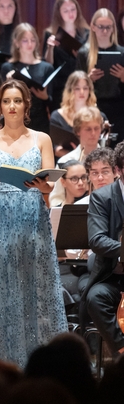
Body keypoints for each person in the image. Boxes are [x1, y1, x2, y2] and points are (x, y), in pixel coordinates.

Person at [0, 79, 67, 369]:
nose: (12, 106)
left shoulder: (41, 139)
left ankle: (41, 366)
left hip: (33, 219)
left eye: (18, 101)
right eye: (7, 101)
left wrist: (41, 184)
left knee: (35, 290)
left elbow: (49, 187)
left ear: (26, 106)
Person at [83, 141, 124, 358]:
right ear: (119, 170)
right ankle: (121, 352)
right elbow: (97, 240)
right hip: (114, 277)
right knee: (95, 297)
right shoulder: (102, 197)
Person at [76, 8, 124, 144]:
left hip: (119, 108)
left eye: (108, 27)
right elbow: (75, 86)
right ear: (93, 27)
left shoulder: (122, 53)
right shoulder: (84, 53)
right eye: (101, 27)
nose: (104, 31)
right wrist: (88, 79)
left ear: (113, 28)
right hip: (94, 108)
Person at [1, 23, 56, 133]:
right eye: (25, 40)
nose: (30, 44)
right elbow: (2, 101)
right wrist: (8, 84)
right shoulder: (8, 67)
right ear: (17, 43)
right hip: (15, 122)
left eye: (33, 40)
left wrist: (45, 97)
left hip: (40, 122)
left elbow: (53, 104)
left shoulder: (46, 68)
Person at [43, 0, 90, 104]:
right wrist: (50, 48)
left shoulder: (86, 34)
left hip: (80, 86)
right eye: (66, 11)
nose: (71, 13)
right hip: (60, 87)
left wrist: (80, 56)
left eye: (73, 9)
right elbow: (48, 64)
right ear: (59, 13)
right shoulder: (50, 33)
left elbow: (90, 63)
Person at [50, 71, 104, 157]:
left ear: (90, 90)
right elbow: (55, 148)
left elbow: (104, 146)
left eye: (85, 88)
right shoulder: (57, 116)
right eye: (77, 88)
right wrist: (77, 156)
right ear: (70, 90)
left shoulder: (98, 116)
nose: (82, 92)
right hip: (67, 161)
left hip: (95, 161)